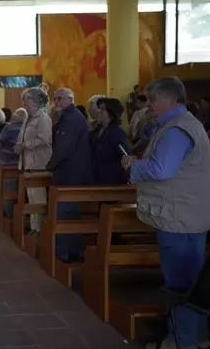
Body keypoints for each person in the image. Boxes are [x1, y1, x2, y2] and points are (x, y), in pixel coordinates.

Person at [122, 77, 210, 349]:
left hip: (179, 218)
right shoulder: (184, 125)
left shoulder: (176, 130)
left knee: (181, 285)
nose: (149, 106)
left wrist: (133, 165)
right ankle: (194, 337)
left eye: (153, 100)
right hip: (185, 214)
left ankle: (181, 341)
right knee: (191, 283)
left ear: (171, 99)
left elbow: (162, 170)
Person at [47, 87, 92, 262]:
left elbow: (63, 147)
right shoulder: (68, 117)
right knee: (70, 213)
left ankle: (63, 253)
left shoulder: (72, 119)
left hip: (69, 174)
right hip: (71, 172)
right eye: (55, 99)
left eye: (60, 99)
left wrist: (50, 165)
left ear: (70, 99)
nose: (56, 102)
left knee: (65, 213)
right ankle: (73, 250)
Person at [15, 87, 52, 235]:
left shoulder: (43, 118)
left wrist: (25, 145)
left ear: (36, 101)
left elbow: (45, 139)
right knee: (31, 198)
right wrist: (19, 145)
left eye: (27, 99)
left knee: (38, 199)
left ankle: (40, 230)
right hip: (27, 162)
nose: (24, 102)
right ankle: (34, 228)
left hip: (38, 162)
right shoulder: (28, 118)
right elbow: (22, 136)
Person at [90, 98, 129, 185]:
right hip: (97, 178)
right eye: (98, 108)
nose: (98, 111)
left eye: (102, 109)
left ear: (111, 113)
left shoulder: (117, 132)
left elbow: (125, 156)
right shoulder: (98, 130)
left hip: (112, 180)